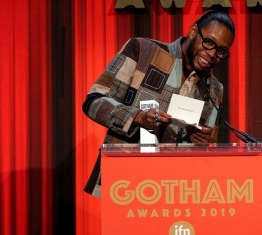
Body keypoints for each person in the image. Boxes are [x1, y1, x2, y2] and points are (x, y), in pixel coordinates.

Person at [82, 10, 235, 197]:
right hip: (126, 183)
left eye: (221, 51)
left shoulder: (214, 89)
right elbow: (94, 101)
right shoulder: (143, 51)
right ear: (194, 31)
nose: (212, 54)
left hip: (177, 192)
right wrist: (137, 117)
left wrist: (202, 142)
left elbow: (206, 152)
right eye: (209, 42)